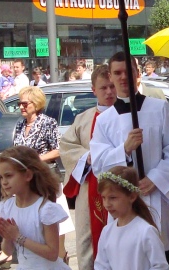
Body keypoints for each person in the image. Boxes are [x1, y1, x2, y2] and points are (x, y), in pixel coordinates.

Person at [90, 51, 169, 270]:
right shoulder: (104, 120)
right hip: (122, 202)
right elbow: (99, 165)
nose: (123, 77)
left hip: (154, 194)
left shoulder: (159, 108)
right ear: (111, 76)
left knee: (157, 253)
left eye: (128, 72)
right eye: (117, 73)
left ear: (137, 74)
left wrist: (155, 178)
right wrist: (124, 149)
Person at [59, 65, 116, 269]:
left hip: (119, 188)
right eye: (103, 88)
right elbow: (66, 146)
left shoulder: (126, 115)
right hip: (89, 187)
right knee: (86, 239)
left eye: (112, 86)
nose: (109, 92)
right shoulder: (83, 119)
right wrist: (86, 157)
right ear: (94, 90)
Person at [11, 86, 74, 264]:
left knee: (51, 221)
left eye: (25, 103)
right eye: (19, 103)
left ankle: (60, 257)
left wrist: (36, 159)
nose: (21, 107)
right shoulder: (20, 124)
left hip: (44, 180)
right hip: (24, 181)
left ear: (35, 104)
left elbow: (59, 150)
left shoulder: (48, 122)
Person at [0, 146, 71, 270]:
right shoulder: (7, 207)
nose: (4, 182)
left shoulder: (45, 209)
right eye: (1, 177)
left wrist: (18, 237)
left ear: (28, 175)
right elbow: (7, 251)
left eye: (9, 175)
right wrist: (8, 237)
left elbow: (52, 254)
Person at [94, 166, 168, 270]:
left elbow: (160, 266)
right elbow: (101, 265)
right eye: (103, 198)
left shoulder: (146, 231)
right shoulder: (107, 232)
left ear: (132, 197)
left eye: (113, 198)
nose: (107, 204)